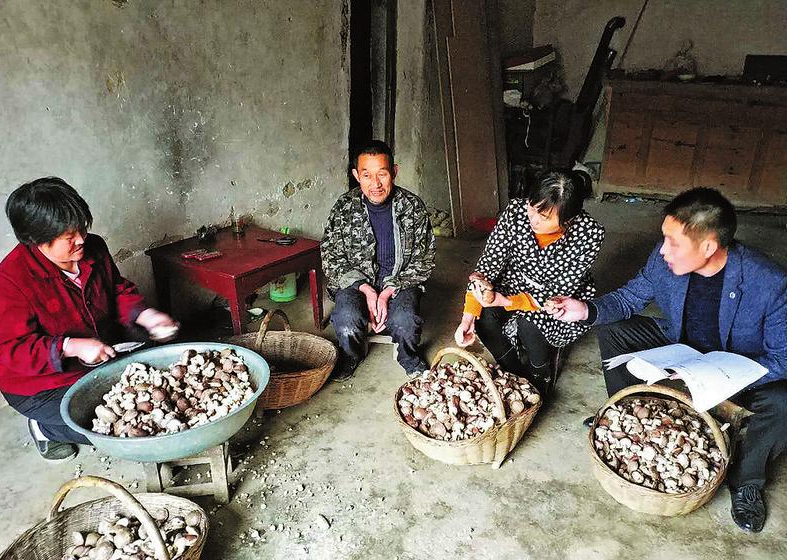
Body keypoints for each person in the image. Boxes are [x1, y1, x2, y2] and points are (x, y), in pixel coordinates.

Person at [546, 187, 787, 533]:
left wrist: (712, 376)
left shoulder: (770, 284)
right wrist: (584, 309)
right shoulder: (663, 261)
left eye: (673, 242)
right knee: (614, 331)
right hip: (682, 346)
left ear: (708, 247)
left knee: (782, 403)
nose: (663, 249)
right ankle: (627, 412)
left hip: (737, 365)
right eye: (664, 238)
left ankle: (747, 481)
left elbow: (781, 358)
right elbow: (629, 298)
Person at [0, 177, 178, 462]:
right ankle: (45, 428)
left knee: (161, 386)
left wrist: (145, 315)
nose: (81, 240)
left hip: (101, 356)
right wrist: (70, 346)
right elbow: (12, 349)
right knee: (114, 424)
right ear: (36, 240)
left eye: (82, 228)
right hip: (43, 385)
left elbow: (116, 289)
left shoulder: (94, 247)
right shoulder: (7, 283)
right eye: (69, 236)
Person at [453, 170, 604, 395]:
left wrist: (504, 301)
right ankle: (512, 372)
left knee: (531, 325)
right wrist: (468, 316)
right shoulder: (515, 211)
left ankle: (540, 374)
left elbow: (560, 291)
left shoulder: (589, 233)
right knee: (483, 317)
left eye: (544, 217)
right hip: (516, 280)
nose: (533, 218)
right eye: (532, 207)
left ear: (569, 220)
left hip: (558, 297)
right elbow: (488, 264)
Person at [321, 140, 435, 381]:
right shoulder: (344, 208)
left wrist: (387, 292)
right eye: (367, 175)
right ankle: (351, 355)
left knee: (405, 321)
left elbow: (424, 259)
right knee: (346, 319)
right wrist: (366, 289)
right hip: (356, 282)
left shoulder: (413, 207)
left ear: (394, 172)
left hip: (400, 281)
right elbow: (330, 256)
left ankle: (409, 358)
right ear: (356, 175)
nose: (375, 184)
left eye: (382, 174)